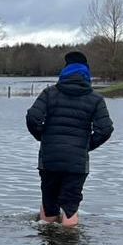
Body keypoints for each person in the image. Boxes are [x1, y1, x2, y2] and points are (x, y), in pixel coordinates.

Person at [25, 50, 113, 226]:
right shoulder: (95, 99)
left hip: (49, 158)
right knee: (70, 206)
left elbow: (32, 118)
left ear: (64, 72)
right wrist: (85, 145)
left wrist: (44, 138)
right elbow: (105, 129)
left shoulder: (49, 93)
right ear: (87, 73)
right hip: (76, 162)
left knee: (49, 204)